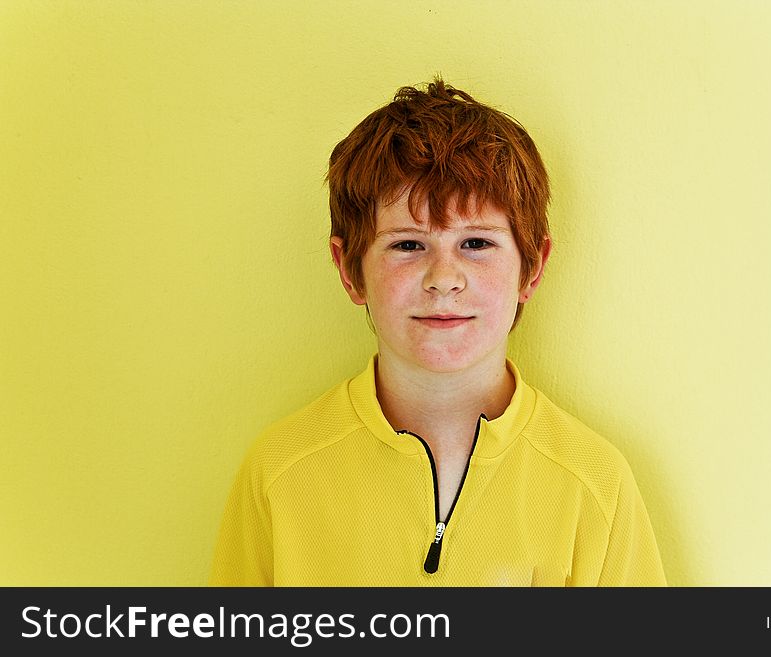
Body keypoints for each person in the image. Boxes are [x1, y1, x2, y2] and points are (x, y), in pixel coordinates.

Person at [209, 78, 666, 586]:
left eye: (476, 242)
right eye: (407, 245)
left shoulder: (594, 484)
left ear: (531, 269)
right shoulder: (281, 473)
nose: (443, 278)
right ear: (350, 270)